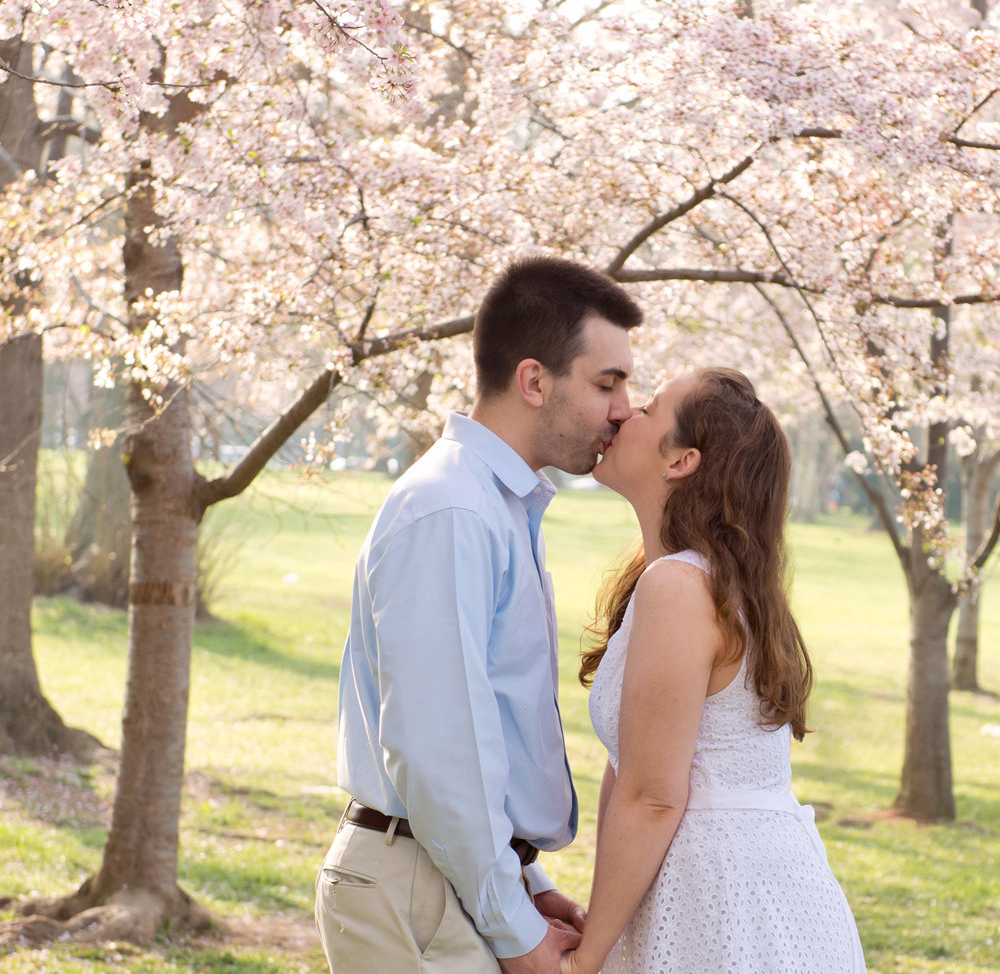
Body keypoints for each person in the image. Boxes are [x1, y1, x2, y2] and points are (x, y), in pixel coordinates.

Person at [317, 255, 644, 974]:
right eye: (607, 382)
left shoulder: (497, 506)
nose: (624, 408)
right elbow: (439, 747)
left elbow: (487, 726)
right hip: (416, 888)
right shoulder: (453, 508)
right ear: (534, 380)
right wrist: (514, 925)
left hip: (447, 876)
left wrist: (528, 883)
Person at [563, 367, 866, 974]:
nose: (623, 414)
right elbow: (628, 774)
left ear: (681, 461)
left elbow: (652, 798)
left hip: (729, 902)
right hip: (716, 887)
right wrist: (603, 924)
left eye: (647, 409)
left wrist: (585, 961)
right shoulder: (682, 579)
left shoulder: (680, 586)